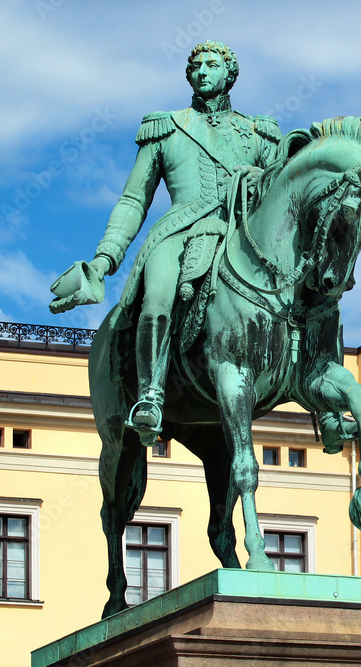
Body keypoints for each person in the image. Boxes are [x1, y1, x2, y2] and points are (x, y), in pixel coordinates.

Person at [50, 41, 281, 441]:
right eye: (196, 66)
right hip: (180, 231)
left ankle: (315, 386)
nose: (203, 71)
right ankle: (151, 395)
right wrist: (104, 260)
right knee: (157, 297)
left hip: (240, 237)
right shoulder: (166, 127)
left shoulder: (259, 133)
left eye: (213, 64)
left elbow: (281, 198)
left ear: (230, 74)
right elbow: (134, 199)